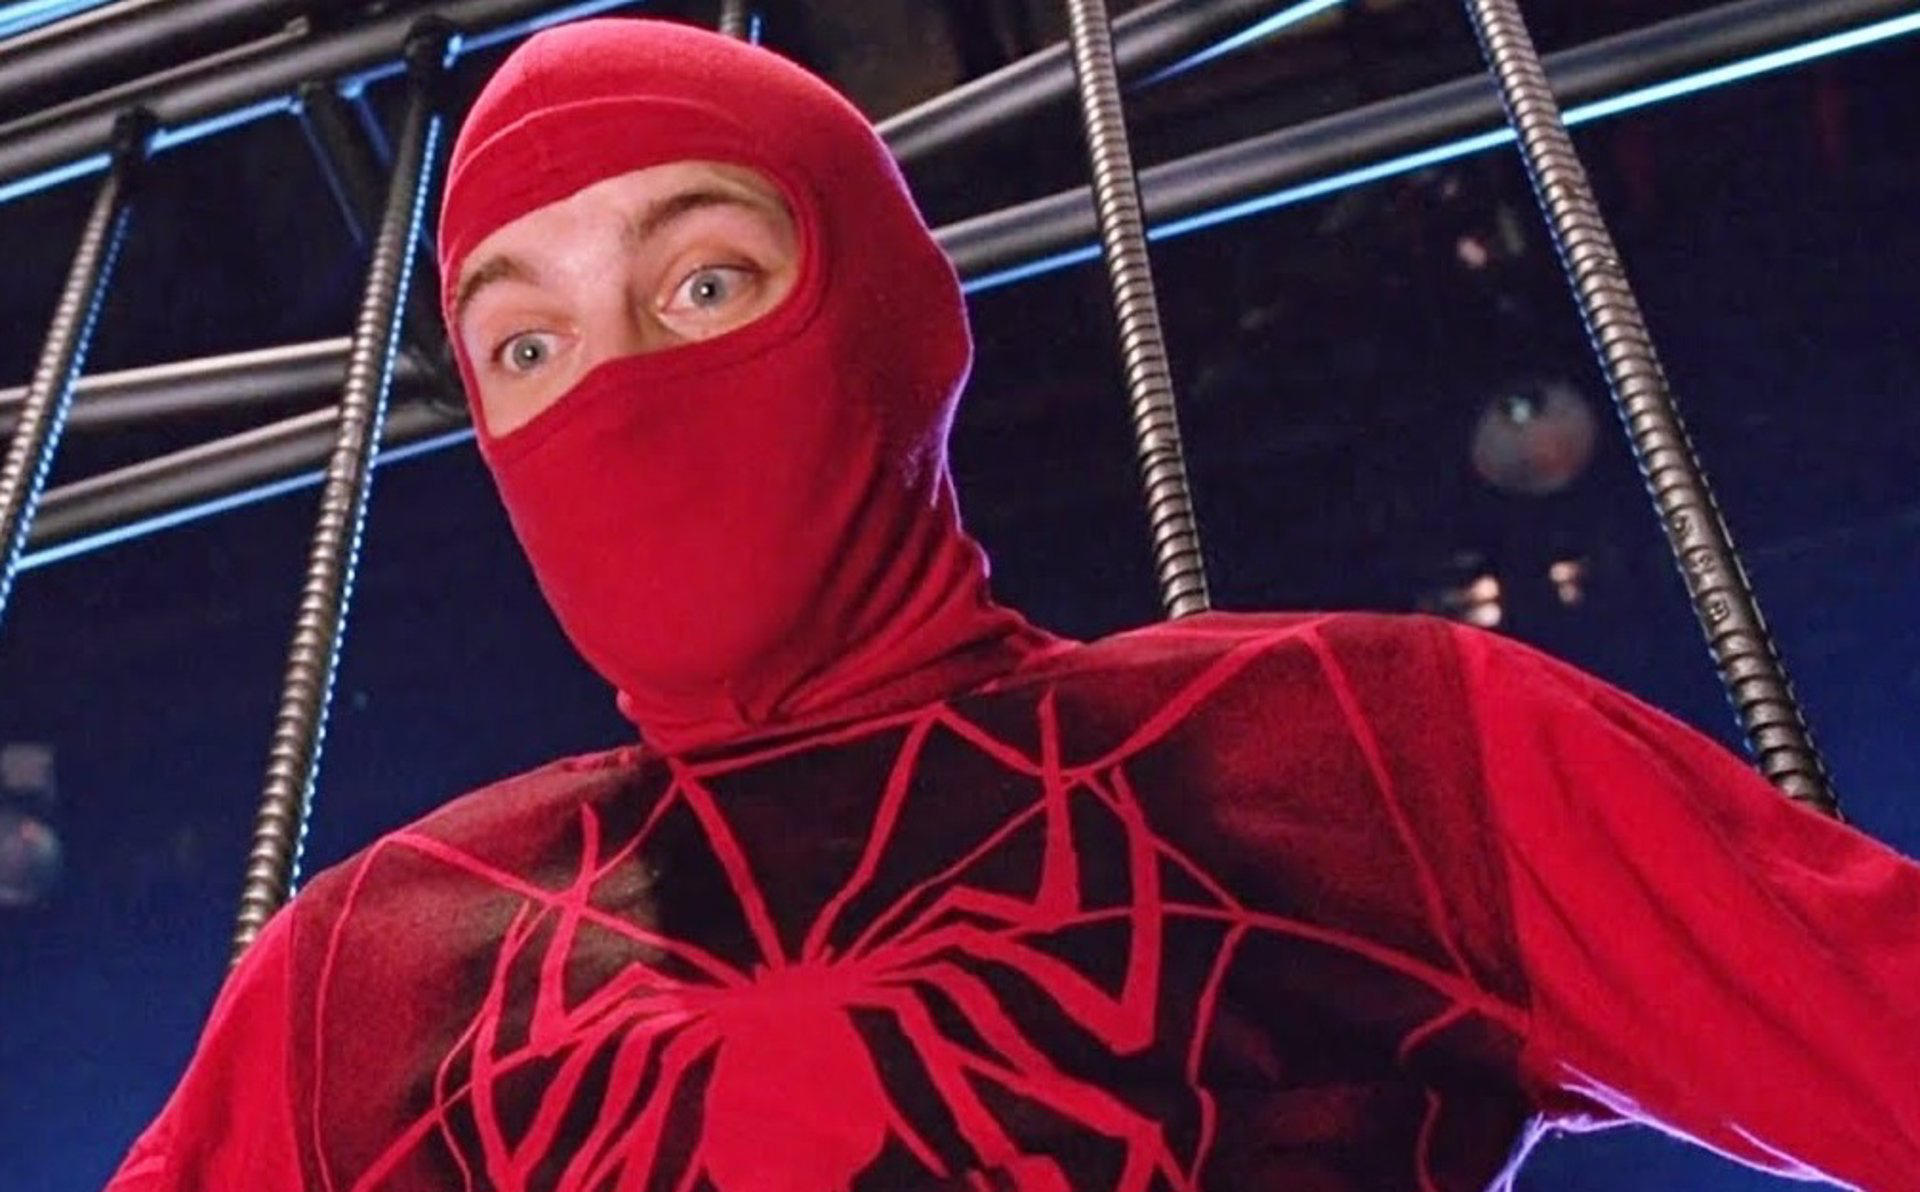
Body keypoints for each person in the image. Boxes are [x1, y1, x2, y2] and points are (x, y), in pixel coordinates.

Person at [105, 17, 1919, 1192]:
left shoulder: (1346, 742)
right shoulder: (370, 970)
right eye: (525, 343)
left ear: (886, 324)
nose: (619, 388)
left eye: (708, 281)